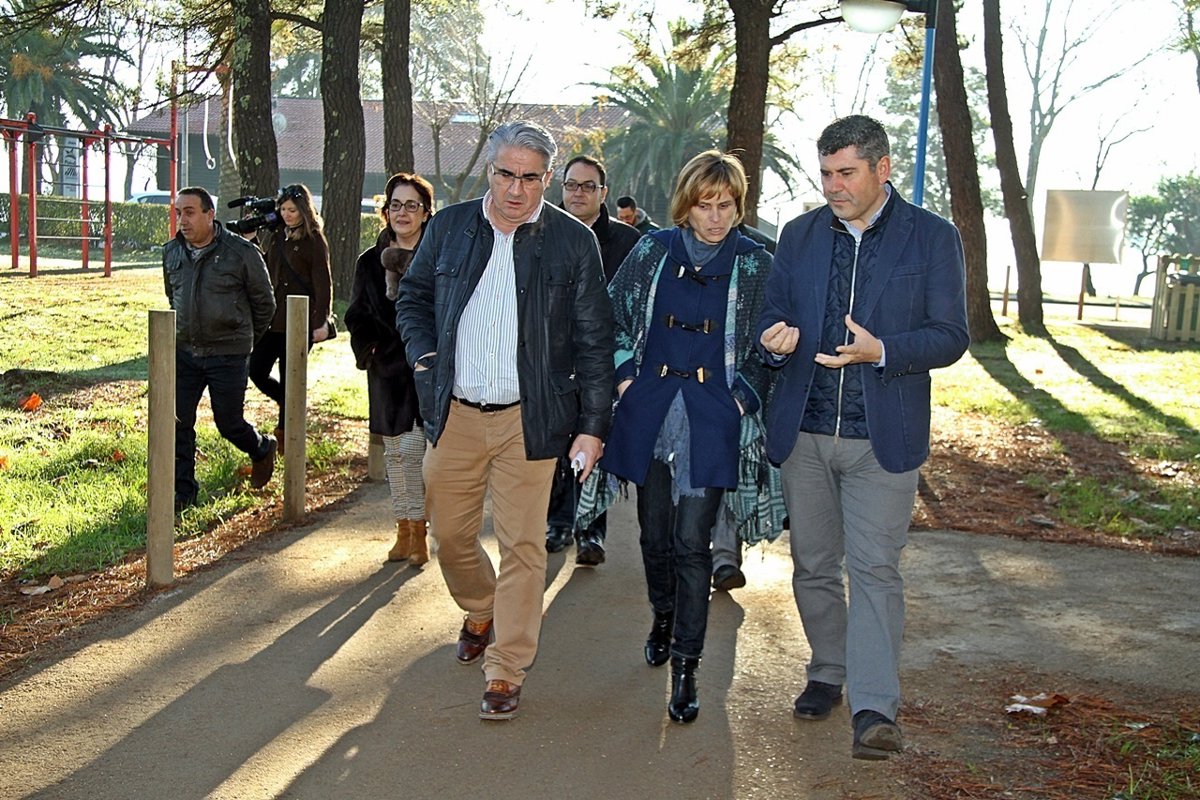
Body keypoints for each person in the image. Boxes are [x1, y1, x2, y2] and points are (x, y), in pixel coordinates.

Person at [756, 115, 969, 760]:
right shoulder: (798, 234)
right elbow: (772, 312)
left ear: (882, 169)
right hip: (805, 431)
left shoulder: (932, 236)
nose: (833, 186)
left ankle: (875, 707)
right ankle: (828, 670)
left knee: (875, 569)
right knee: (813, 565)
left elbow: (951, 336)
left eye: (846, 173)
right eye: (825, 173)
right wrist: (774, 339)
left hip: (883, 439)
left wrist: (884, 351)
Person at [396, 121, 614, 721]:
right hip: (457, 414)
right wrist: (424, 355)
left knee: (523, 545)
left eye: (531, 178)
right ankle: (480, 606)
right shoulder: (449, 228)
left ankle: (507, 666)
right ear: (490, 171)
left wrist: (593, 425)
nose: (517, 189)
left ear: (548, 178)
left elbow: (596, 338)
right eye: (506, 175)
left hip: (531, 418)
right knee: (449, 536)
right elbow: (413, 297)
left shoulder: (573, 243)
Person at [598, 150, 780, 724]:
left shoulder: (756, 263)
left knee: (691, 543)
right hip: (650, 410)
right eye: (705, 205)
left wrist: (740, 398)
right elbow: (609, 317)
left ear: (739, 205)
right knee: (654, 536)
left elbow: (770, 345)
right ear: (686, 205)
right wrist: (625, 379)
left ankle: (686, 665)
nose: (716, 217)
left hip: (712, 415)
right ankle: (662, 613)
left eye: (726, 205)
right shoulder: (651, 251)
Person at [544, 154, 640, 564]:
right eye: (571, 185)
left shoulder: (628, 242)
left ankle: (591, 530)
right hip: (552, 359)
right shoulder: (542, 232)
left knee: (594, 439)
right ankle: (558, 522)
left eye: (588, 186)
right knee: (556, 443)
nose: (578, 193)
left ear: (603, 192)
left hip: (604, 360)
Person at [163, 187, 278, 512]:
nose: (182, 220)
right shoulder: (171, 252)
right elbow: (172, 296)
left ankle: (261, 448)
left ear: (209, 214)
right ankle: (184, 495)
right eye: (178, 213)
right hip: (185, 352)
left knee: (228, 423)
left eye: (189, 212)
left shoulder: (241, 252)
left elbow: (265, 304)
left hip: (228, 354)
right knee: (177, 423)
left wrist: (242, 337)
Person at [345, 172, 435, 566]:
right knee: (396, 455)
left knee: (419, 453)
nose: (403, 213)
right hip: (386, 371)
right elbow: (356, 315)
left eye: (412, 205)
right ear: (386, 211)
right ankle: (406, 530)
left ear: (426, 212)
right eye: (395, 205)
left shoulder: (439, 257)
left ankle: (422, 529)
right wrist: (372, 351)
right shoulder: (370, 261)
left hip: (428, 369)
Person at [248, 184, 333, 453]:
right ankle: (285, 402)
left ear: (304, 211)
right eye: (283, 209)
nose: (287, 214)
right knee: (256, 369)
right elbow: (264, 267)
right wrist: (252, 240)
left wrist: (320, 322)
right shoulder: (277, 236)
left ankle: (286, 438)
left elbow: (323, 283)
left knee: (291, 377)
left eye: (292, 210)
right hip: (274, 320)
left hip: (300, 321)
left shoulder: (314, 240)